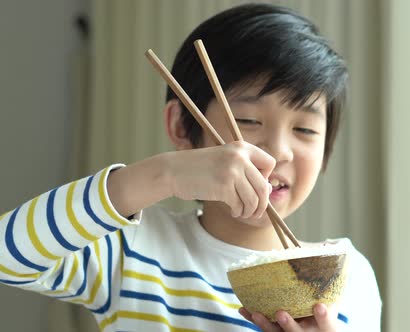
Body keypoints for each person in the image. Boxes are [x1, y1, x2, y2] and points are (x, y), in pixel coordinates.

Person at [0, 3, 381, 331]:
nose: (278, 151)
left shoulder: (349, 275)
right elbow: (7, 256)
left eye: (304, 129)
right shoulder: (133, 250)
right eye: (247, 121)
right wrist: (165, 173)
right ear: (182, 127)